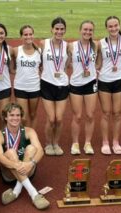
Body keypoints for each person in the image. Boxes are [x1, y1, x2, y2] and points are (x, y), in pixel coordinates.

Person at [0, 103, 50, 210]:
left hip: (28, 170)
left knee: (32, 148)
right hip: (8, 175)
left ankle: (16, 191)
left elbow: (41, 151)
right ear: (6, 117)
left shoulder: (29, 131)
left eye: (18, 115)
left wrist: (30, 164)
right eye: (12, 115)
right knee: (10, 153)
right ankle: (34, 194)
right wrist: (16, 165)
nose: (15, 118)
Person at [96, 16, 121, 155]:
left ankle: (115, 142)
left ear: (119, 26)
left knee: (117, 114)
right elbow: (98, 63)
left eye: (116, 25)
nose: (113, 28)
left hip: (120, 80)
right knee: (105, 113)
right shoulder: (101, 43)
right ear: (106, 28)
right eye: (110, 26)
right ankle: (105, 142)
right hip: (104, 80)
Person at [40, 17, 71, 156]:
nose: (59, 31)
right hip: (47, 84)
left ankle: (55, 143)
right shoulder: (43, 43)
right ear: (52, 29)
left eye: (62, 29)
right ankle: (48, 143)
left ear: (65, 30)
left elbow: (68, 64)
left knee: (59, 119)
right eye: (57, 29)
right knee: (51, 118)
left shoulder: (68, 46)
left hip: (62, 85)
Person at [68, 20, 98, 155]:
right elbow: (66, 62)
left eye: (90, 30)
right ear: (80, 30)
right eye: (85, 29)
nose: (87, 32)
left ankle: (87, 143)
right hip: (75, 83)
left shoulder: (96, 45)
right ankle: (75, 143)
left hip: (91, 82)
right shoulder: (71, 46)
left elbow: (98, 62)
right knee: (77, 116)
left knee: (90, 115)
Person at [12, 25, 41, 128]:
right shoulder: (15, 50)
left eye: (30, 34)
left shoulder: (39, 52)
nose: (28, 36)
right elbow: (11, 68)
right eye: (25, 34)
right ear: (21, 36)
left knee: (33, 114)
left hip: (34, 87)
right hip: (20, 87)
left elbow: (41, 68)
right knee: (23, 117)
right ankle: (23, 138)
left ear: (33, 35)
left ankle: (32, 138)